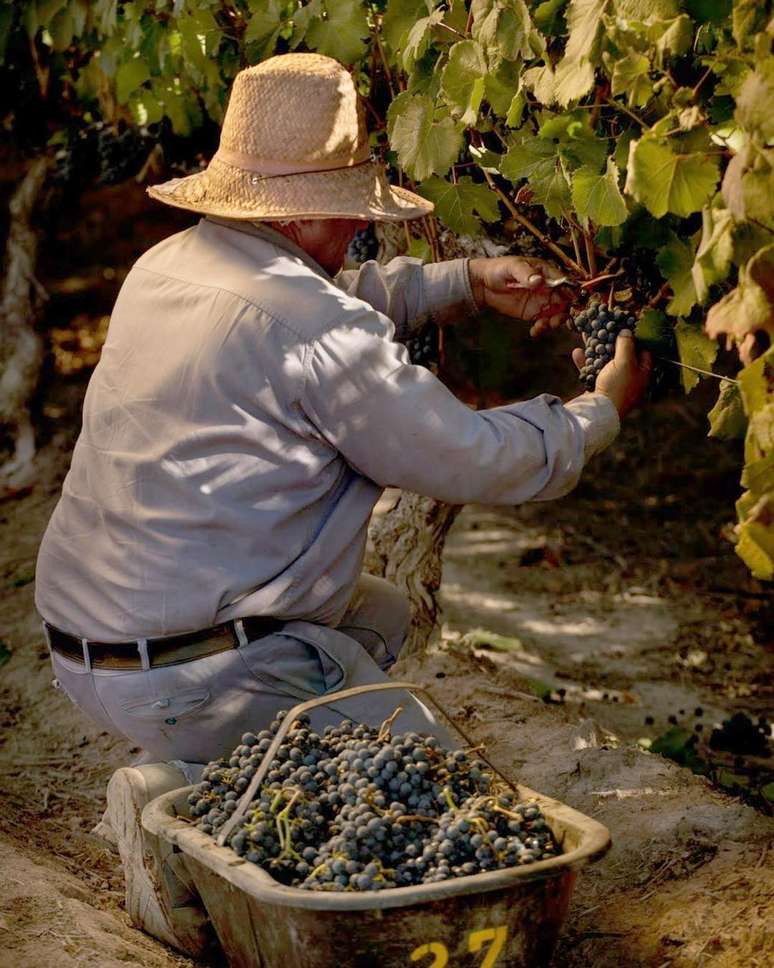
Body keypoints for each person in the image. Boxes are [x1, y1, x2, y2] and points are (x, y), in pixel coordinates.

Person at [34, 53, 650, 952]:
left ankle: (199, 777)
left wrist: (463, 284)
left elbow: (314, 311)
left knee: (379, 613)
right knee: (441, 824)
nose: (361, 225)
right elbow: (475, 458)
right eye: (349, 207)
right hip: (191, 675)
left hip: (88, 646)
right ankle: (197, 803)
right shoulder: (313, 326)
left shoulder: (168, 266)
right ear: (295, 212)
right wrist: (600, 412)